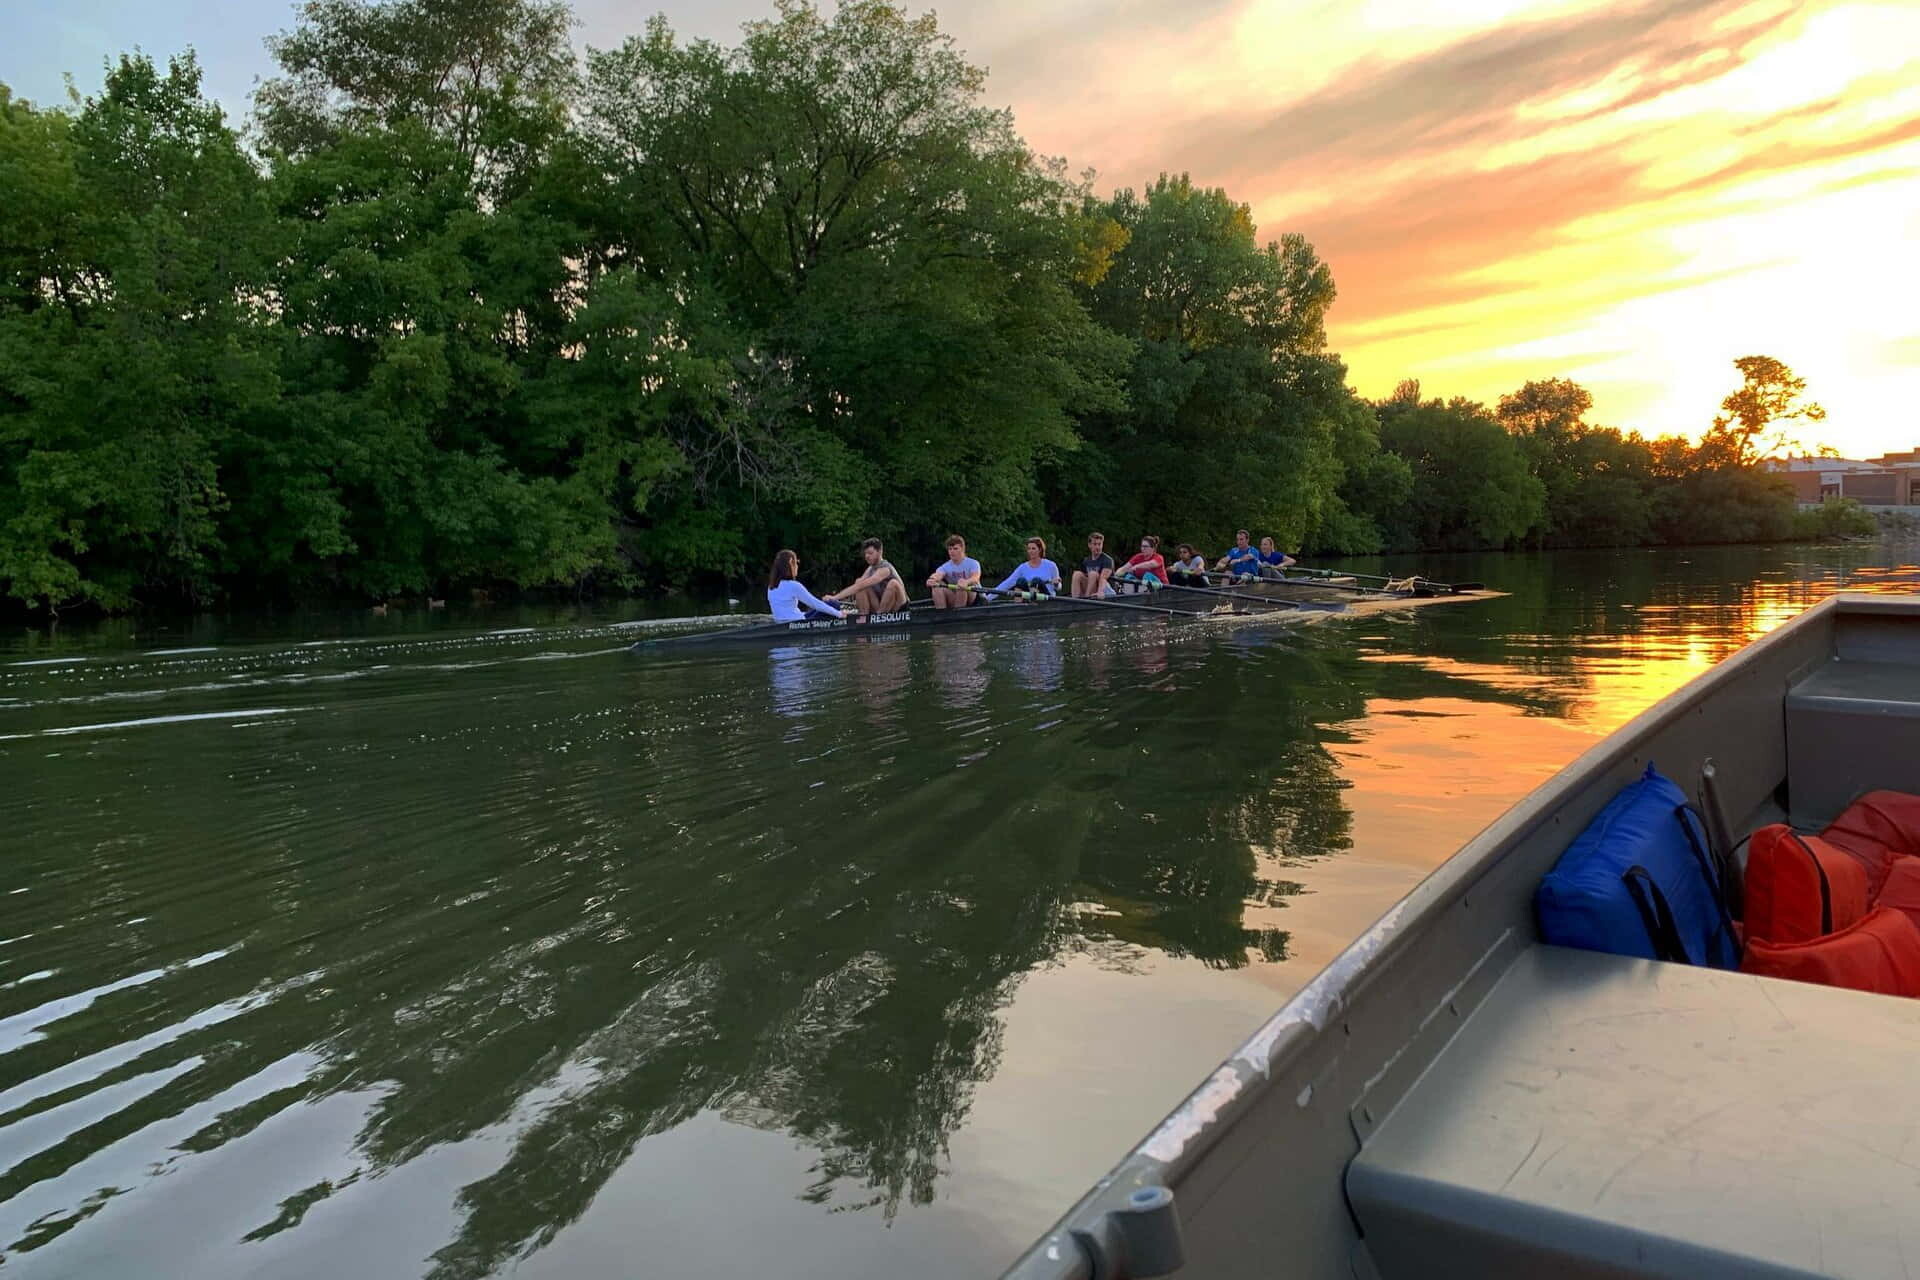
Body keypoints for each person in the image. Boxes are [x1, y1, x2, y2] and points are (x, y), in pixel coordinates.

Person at [832, 537, 909, 616]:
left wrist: (835, 598)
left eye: (870, 553)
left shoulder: (885, 569)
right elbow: (858, 586)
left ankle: (879, 617)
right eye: (865, 553)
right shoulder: (870, 569)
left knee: (893, 583)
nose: (867, 556)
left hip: (899, 607)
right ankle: (864, 616)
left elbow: (859, 587)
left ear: (879, 552)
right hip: (881, 607)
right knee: (859, 581)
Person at [766, 549, 845, 621]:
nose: (797, 566)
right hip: (797, 622)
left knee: (821, 608)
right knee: (833, 603)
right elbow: (814, 603)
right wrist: (839, 614)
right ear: (791, 563)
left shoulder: (771, 586)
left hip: (780, 622)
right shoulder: (794, 586)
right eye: (796, 562)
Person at [993, 536, 1062, 597]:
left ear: (1040, 550)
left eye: (1033, 548)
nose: (1030, 551)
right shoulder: (1023, 567)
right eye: (1029, 549)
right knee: (1020, 581)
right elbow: (1007, 583)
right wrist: (988, 598)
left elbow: (1059, 588)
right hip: (1030, 599)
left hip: (1047, 599)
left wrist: (1056, 584)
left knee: (1036, 580)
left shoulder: (1051, 565)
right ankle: (1019, 606)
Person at [925, 534, 982, 608]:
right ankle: (941, 614)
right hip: (956, 596)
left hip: (974, 597)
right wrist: (932, 579)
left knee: (961, 583)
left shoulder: (973, 563)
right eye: (950, 549)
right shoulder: (945, 566)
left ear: (962, 549)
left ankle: (959, 614)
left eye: (955, 549)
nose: (952, 552)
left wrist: (966, 582)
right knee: (937, 585)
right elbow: (938, 575)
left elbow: (975, 578)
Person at [1072, 532, 1115, 598]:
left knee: (1093, 574)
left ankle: (1086, 599)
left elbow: (1103, 578)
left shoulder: (1108, 560)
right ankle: (1075, 600)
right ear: (1089, 545)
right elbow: (1084, 578)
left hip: (1105, 590)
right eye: (1095, 544)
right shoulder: (1086, 561)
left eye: (1099, 544)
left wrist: (1100, 592)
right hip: (1093, 588)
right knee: (1077, 574)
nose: (1097, 547)